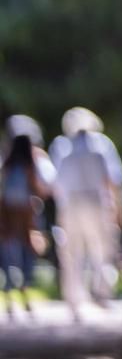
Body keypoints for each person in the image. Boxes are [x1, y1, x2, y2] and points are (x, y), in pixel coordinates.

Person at [52, 128, 119, 319]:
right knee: (101, 252)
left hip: (72, 204)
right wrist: (116, 206)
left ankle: (75, 300)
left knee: (73, 254)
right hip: (94, 202)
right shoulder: (99, 151)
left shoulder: (65, 152)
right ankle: (101, 292)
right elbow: (111, 180)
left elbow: (57, 184)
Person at [1, 135, 49, 317]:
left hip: (6, 212)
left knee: (7, 255)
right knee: (26, 256)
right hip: (26, 215)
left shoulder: (7, 164)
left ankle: (8, 298)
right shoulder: (30, 165)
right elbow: (38, 189)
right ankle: (25, 294)